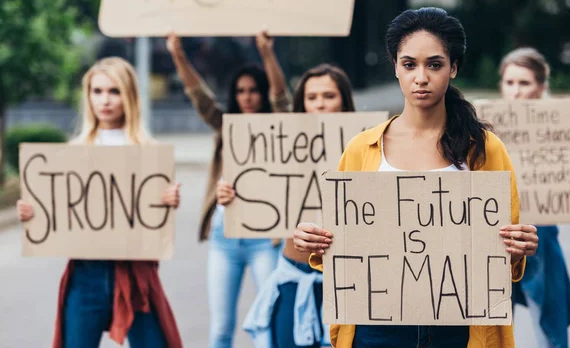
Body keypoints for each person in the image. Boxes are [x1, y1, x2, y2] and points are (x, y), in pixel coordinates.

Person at [292, 7, 539, 348]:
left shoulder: (484, 149)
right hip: (375, 329)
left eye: (434, 64)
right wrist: (314, 240)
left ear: (453, 68)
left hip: (460, 329)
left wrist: (518, 247)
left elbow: (502, 252)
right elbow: (342, 243)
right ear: (395, 67)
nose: (421, 77)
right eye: (409, 64)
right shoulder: (362, 147)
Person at [16, 57, 183, 348]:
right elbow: (60, 215)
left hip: (135, 274)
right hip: (86, 273)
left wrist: (168, 200)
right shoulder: (73, 153)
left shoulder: (150, 153)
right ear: (88, 96)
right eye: (97, 91)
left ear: (129, 95)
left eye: (114, 91)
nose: (105, 100)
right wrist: (34, 212)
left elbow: (152, 221)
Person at [217, 64, 355, 347]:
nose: (320, 104)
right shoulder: (282, 143)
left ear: (344, 100)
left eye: (329, 96)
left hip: (347, 278)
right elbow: (254, 192)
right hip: (294, 274)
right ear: (302, 103)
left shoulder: (364, 146)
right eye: (312, 97)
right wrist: (228, 196)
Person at [166, 31, 289, 348]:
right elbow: (200, 98)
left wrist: (266, 54)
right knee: (221, 329)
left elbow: (281, 98)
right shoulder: (226, 125)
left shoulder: (279, 128)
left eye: (254, 91)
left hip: (266, 237)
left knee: (267, 323)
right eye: (241, 91)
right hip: (225, 237)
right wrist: (178, 55)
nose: (248, 96)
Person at [499, 47, 570, 348]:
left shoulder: (565, 126)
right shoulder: (484, 125)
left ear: (541, 87)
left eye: (524, 83)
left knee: (550, 321)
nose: (516, 92)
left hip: (540, 235)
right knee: (493, 324)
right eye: (509, 83)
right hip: (497, 236)